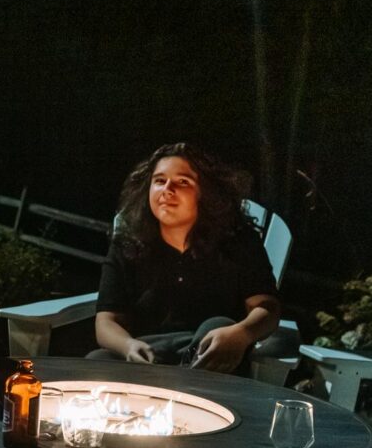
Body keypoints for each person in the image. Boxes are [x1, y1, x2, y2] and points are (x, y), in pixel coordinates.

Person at [89, 142, 282, 374]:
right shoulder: (128, 245)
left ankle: (182, 378)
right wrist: (127, 346)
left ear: (205, 193)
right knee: (97, 360)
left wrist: (242, 334)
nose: (167, 189)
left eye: (183, 182)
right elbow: (106, 322)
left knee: (218, 324)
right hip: (148, 356)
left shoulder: (236, 242)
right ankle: (177, 380)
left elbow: (267, 308)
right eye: (159, 180)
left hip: (211, 359)